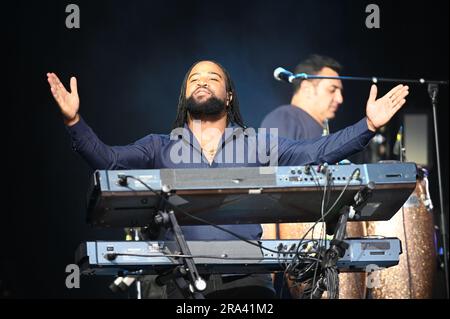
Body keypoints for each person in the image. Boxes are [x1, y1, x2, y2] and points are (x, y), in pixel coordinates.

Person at [47, 60, 409, 299]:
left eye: (213, 77)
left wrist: (368, 126)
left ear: (229, 95)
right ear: (186, 95)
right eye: (195, 78)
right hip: (182, 282)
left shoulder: (255, 143)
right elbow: (108, 161)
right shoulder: (157, 146)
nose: (202, 81)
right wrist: (74, 123)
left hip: (249, 281)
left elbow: (313, 153)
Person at [260, 55, 368, 298]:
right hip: (298, 256)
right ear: (307, 87)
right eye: (332, 89)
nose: (340, 99)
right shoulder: (286, 117)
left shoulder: (317, 128)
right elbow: (276, 182)